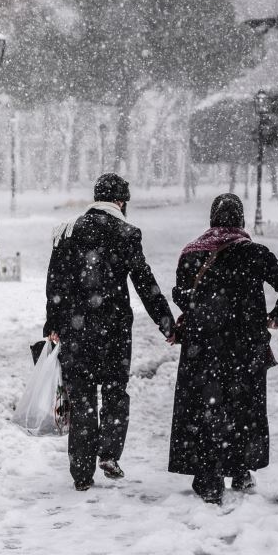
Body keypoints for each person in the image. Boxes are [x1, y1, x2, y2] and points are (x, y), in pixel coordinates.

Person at [44, 173, 174, 491]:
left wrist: (54, 324)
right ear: (121, 201)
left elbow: (55, 284)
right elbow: (144, 281)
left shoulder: (67, 231)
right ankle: (109, 453)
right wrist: (166, 322)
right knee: (115, 392)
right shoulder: (126, 232)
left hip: (76, 332)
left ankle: (81, 474)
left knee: (83, 398)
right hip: (114, 329)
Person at [169, 193, 278, 505]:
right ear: (241, 219)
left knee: (206, 408)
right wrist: (276, 318)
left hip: (204, 347)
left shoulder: (192, 253)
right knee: (243, 408)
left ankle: (208, 475)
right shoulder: (253, 252)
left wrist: (205, 310)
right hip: (245, 346)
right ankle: (239, 469)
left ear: (213, 218)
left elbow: (181, 295)